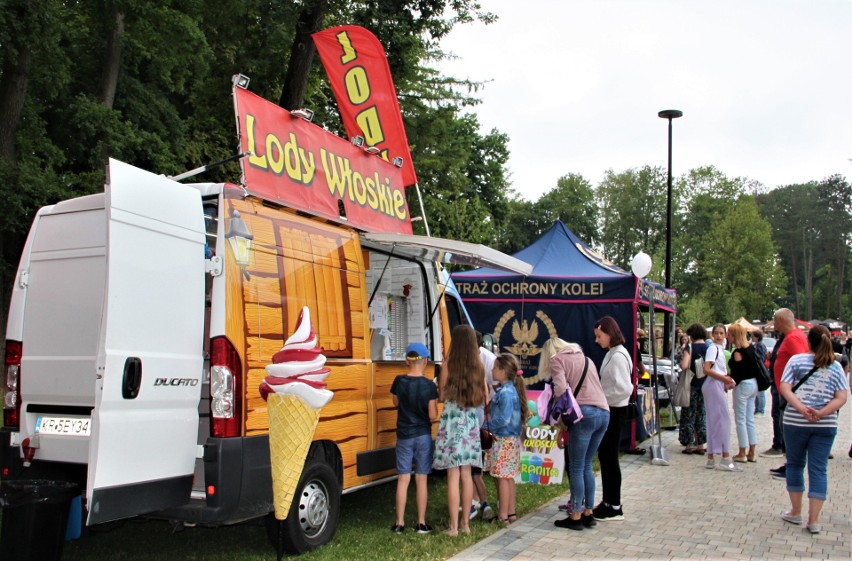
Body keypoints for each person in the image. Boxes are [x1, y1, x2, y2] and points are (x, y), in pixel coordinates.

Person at [779, 325, 848, 534]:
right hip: (825, 425)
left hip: (795, 422)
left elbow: (784, 388)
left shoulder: (796, 361)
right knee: (818, 470)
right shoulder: (835, 366)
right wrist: (822, 412)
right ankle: (814, 520)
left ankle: (796, 511)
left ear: (808, 341)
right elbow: (842, 397)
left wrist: (800, 408)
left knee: (795, 465)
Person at [550, 340, 610, 531]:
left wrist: (556, 413)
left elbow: (560, 390)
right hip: (604, 413)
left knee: (576, 466)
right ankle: (588, 513)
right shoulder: (587, 359)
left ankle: (575, 515)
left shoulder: (557, 360)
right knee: (586, 465)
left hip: (584, 415)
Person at [434, 325, 487, 537]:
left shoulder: (448, 365)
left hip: (452, 421)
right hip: (471, 422)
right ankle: (466, 524)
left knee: (452, 475)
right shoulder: (479, 367)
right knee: (467, 474)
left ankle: (453, 527)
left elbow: (441, 395)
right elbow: (484, 395)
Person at [389, 343, 439, 534]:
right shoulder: (428, 386)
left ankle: (399, 523)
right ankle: (421, 523)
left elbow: (395, 402)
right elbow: (433, 415)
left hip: (404, 436)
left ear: (406, 361)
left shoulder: (399, 381)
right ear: (425, 361)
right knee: (421, 478)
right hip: (423, 436)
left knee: (403, 478)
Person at [591, 316, 633, 522]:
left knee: (610, 457)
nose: (597, 340)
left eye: (599, 336)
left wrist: (602, 399)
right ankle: (608, 501)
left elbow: (624, 388)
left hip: (615, 410)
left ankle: (614, 504)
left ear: (609, 333)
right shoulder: (613, 353)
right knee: (606, 456)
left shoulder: (618, 356)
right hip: (611, 408)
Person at [482, 353, 528, 526]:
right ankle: (511, 512)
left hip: (503, 439)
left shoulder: (506, 393)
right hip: (510, 439)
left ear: (502, 371)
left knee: (502, 477)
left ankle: (502, 516)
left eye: (494, 367)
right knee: (508, 477)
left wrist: (487, 427)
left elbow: (504, 419)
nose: (492, 370)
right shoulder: (507, 390)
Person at [764, 309, 809, 480]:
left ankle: (793, 466)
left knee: (789, 428)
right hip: (785, 389)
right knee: (786, 426)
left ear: (782, 320)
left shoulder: (793, 338)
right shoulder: (790, 337)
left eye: (775, 321)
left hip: (789, 391)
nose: (774, 324)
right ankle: (790, 463)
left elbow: (801, 362)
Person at [702, 323, 739, 471]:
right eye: (716, 333)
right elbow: (707, 369)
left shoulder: (718, 349)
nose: (718, 336)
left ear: (725, 335)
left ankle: (711, 457)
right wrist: (724, 379)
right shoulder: (713, 349)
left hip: (715, 384)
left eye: (721, 333)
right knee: (723, 420)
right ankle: (725, 456)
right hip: (714, 384)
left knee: (714, 420)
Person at [471, 330, 496, 521]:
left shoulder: (486, 360)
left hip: (477, 414)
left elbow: (491, 392)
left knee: (470, 465)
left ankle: (476, 502)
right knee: (474, 465)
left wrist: (487, 411)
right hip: (479, 412)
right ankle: (480, 501)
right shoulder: (474, 364)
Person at [727, 324, 759, 463]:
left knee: (740, 419)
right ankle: (752, 450)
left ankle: (742, 451)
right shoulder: (751, 348)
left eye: (729, 334)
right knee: (749, 418)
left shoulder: (738, 352)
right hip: (753, 383)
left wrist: (729, 378)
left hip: (743, 385)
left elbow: (738, 372)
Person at [678, 323, 708, 455]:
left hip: (691, 384)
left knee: (689, 413)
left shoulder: (690, 347)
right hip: (705, 384)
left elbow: (685, 365)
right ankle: (701, 444)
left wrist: (681, 363)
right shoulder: (708, 347)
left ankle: (689, 443)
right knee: (701, 414)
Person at [752, 329, 768, 415]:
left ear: (757, 337)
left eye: (753, 336)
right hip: (757, 370)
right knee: (757, 391)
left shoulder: (760, 346)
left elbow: (761, 358)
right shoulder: (757, 345)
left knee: (761, 391)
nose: (752, 338)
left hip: (760, 370)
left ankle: (761, 409)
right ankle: (758, 408)